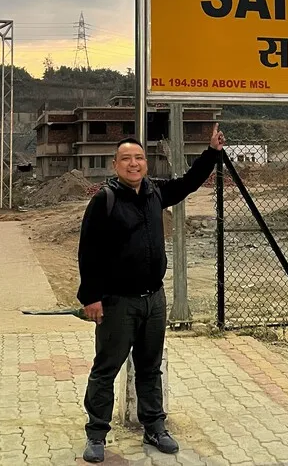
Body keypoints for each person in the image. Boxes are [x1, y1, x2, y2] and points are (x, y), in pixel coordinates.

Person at [77, 124, 226, 463]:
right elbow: (89, 252)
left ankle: (155, 427)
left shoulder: (155, 193)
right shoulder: (105, 200)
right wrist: (91, 297)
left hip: (153, 300)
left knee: (150, 366)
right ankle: (97, 434)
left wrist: (212, 153)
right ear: (115, 165)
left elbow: (188, 184)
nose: (134, 163)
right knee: (106, 368)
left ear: (146, 163)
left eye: (140, 158)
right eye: (127, 159)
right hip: (118, 302)